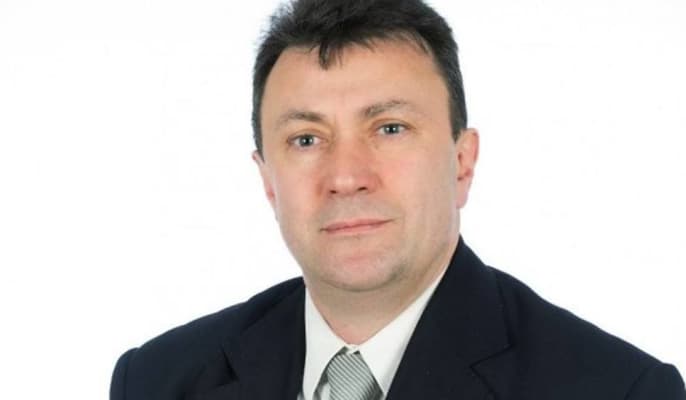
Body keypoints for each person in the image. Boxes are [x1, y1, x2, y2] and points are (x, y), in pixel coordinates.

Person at [110, 0, 685, 399]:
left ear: (462, 162)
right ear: (267, 181)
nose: (345, 177)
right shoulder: (158, 381)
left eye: (389, 128)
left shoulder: (618, 390)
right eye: (306, 139)